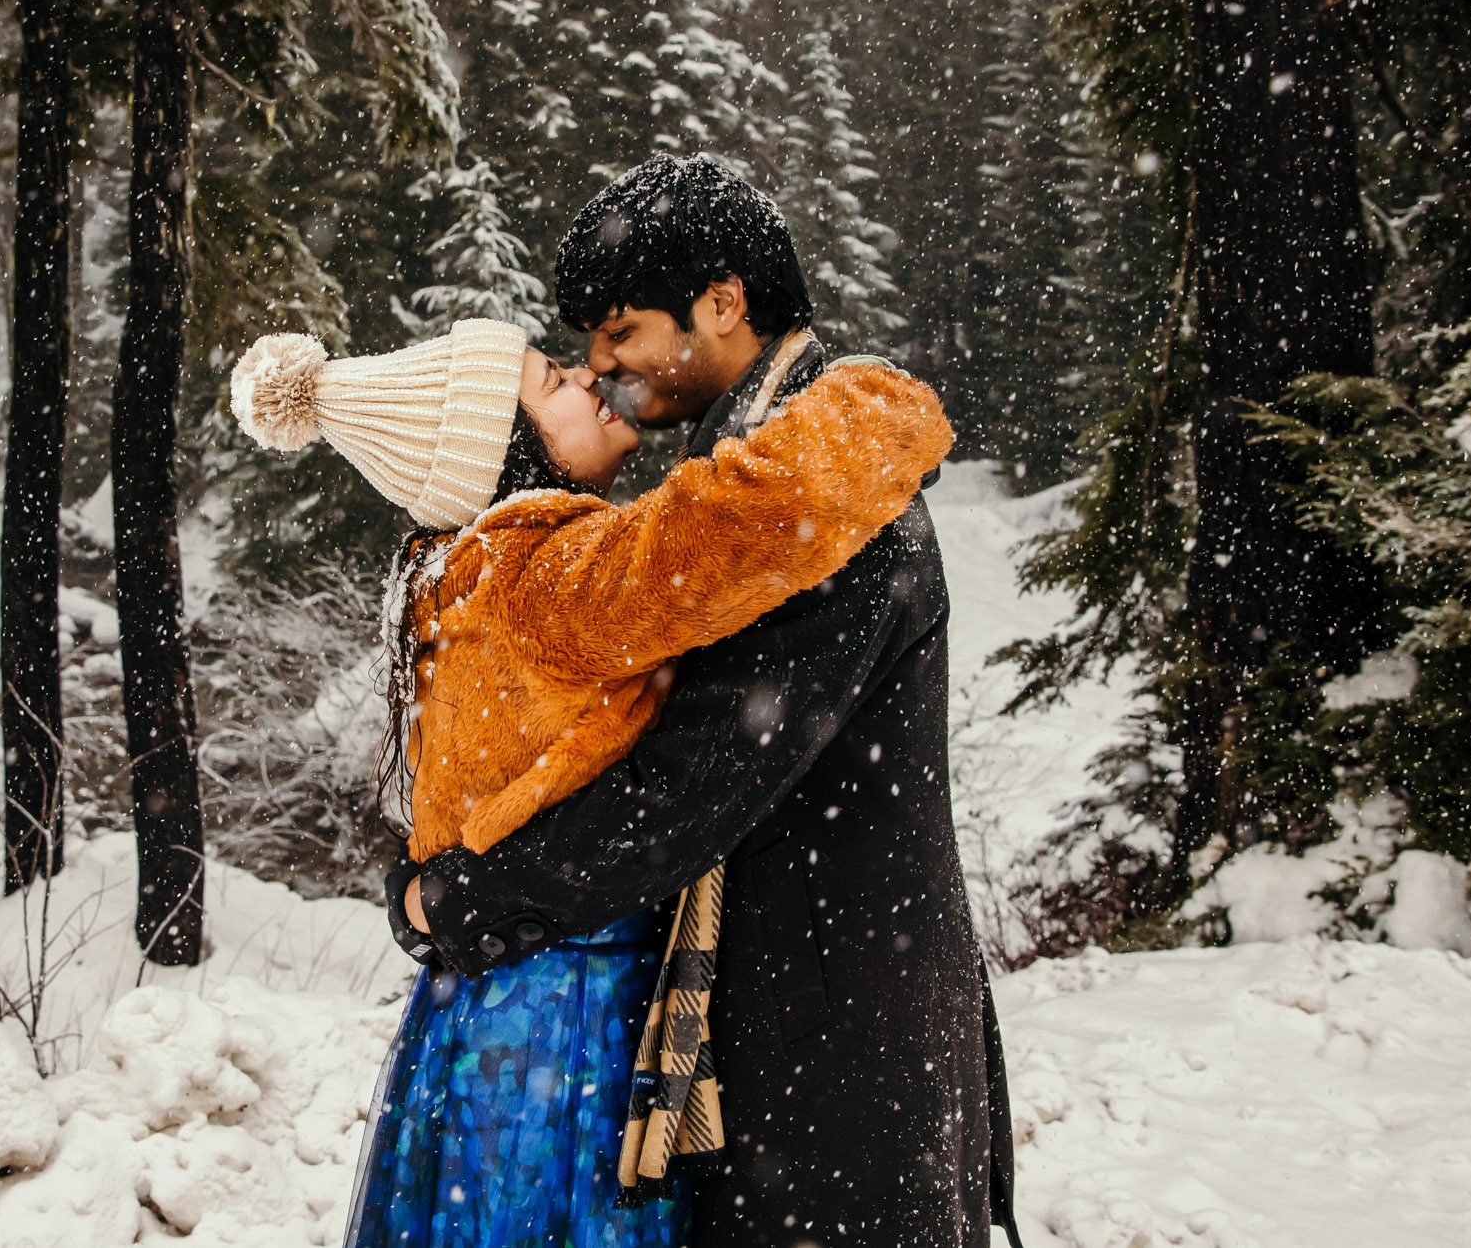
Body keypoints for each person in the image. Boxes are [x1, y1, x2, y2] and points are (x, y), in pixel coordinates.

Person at [393, 155, 1023, 1248]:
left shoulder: (825, 502)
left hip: (836, 1033)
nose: (602, 369)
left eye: (621, 331)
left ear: (722, 303)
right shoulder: (749, 488)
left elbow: (698, 771)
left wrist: (470, 898)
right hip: (789, 1018)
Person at [226, 313, 954, 1248]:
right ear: (505, 447)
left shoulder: (459, 580)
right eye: (549, 381)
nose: (585, 377)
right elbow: (730, 530)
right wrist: (875, 406)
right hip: (562, 1022)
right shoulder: (547, 579)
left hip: (484, 1017)